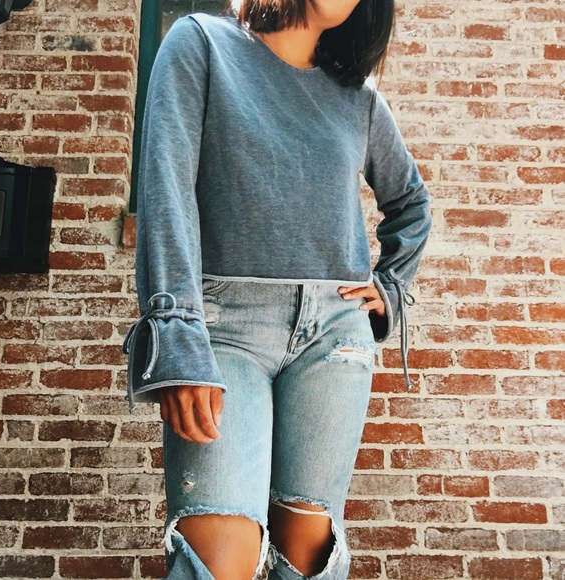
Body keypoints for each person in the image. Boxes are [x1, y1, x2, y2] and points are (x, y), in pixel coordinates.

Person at [123, 0, 431, 578]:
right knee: (219, 560)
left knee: (309, 556)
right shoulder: (201, 43)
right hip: (224, 328)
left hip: (335, 339)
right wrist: (176, 332)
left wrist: (390, 286)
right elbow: (167, 193)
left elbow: (411, 202)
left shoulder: (359, 98)